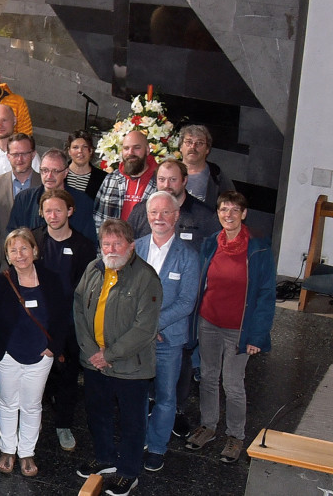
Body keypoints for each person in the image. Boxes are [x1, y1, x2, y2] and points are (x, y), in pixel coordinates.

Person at [185, 191, 275, 465]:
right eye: (224, 210)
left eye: (235, 210)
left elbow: (266, 295)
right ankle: (208, 426)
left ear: (244, 214)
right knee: (209, 377)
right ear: (218, 213)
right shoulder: (211, 242)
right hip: (209, 322)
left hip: (239, 329)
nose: (229, 215)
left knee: (233, 383)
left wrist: (256, 336)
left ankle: (235, 435)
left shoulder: (258, 248)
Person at [73, 219, 161, 496]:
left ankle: (128, 472)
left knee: (132, 422)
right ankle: (105, 457)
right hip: (94, 363)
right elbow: (78, 309)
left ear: (131, 246)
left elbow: (145, 328)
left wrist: (109, 355)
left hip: (130, 366)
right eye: (106, 243)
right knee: (97, 413)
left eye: (117, 243)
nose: (111, 249)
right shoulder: (93, 269)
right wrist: (91, 352)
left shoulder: (146, 277)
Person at [0, 229, 66, 477]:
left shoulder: (50, 279)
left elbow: (61, 317)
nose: (20, 255)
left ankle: (27, 452)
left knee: (31, 404)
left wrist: (53, 349)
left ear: (34, 250)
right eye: (14, 250)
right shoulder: (0, 282)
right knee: (7, 402)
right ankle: (7, 449)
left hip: (41, 355)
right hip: (8, 354)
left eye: (24, 248)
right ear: (7, 255)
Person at [130, 191, 201, 472]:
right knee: (134, 394)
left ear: (177, 216)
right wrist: (141, 328)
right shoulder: (134, 248)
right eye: (154, 212)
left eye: (165, 212)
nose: (159, 218)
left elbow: (186, 302)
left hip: (168, 339)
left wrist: (153, 325)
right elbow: (125, 292)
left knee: (165, 397)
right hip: (135, 340)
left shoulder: (188, 256)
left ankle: (157, 447)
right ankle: (137, 440)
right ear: (147, 216)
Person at [31, 188, 95, 452]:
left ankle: (63, 425)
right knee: (36, 376)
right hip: (36, 321)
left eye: (58, 210)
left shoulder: (84, 246)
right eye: (48, 210)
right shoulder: (33, 238)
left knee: (67, 378)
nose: (53, 215)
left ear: (70, 211)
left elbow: (85, 290)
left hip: (69, 325)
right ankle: (34, 423)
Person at [8, 149, 98, 242]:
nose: (49, 176)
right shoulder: (24, 199)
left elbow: (89, 242)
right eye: (45, 170)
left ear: (66, 172)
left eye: (55, 171)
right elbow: (13, 237)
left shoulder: (83, 202)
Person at [127, 161, 220, 249]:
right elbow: (126, 246)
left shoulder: (205, 215)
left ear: (184, 181)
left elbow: (212, 255)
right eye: (161, 179)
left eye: (173, 179)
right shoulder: (141, 211)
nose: (166, 185)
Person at [94, 130, 158, 224]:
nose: (130, 152)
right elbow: (98, 217)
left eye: (136, 148)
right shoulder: (111, 179)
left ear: (147, 150)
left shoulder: (160, 181)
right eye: (126, 148)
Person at [0, 133, 42, 226]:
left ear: (33, 155)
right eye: (15, 154)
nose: (20, 159)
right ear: (8, 156)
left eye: (24, 154)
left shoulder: (45, 185)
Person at [177, 125, 235, 206]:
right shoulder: (167, 172)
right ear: (180, 146)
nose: (193, 147)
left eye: (199, 143)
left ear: (207, 149)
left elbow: (232, 207)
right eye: (188, 142)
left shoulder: (217, 177)